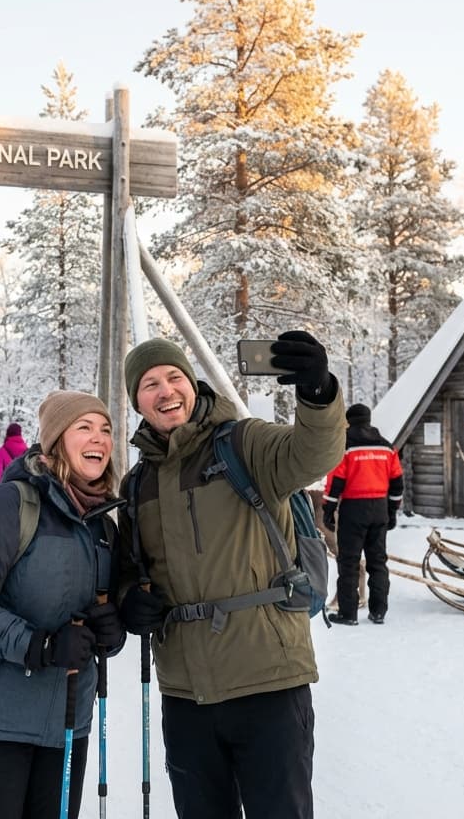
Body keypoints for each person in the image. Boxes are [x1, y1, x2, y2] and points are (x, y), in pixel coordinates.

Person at [116, 334, 345, 819]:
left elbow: (313, 452)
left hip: (267, 682)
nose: (165, 391)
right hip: (185, 694)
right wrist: (128, 600)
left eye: (174, 377)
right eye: (150, 384)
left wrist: (317, 393)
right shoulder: (138, 484)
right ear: (137, 401)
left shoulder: (245, 444)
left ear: (193, 385)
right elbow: (128, 570)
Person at [0, 391, 125, 819]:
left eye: (106, 429)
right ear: (57, 440)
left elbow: (98, 623)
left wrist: (111, 632)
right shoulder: (10, 505)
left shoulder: (103, 526)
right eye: (84, 427)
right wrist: (38, 646)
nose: (98, 438)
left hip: (67, 725)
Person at [321, 403, 404, 626]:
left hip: (353, 510)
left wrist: (328, 511)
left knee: (348, 562)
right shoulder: (386, 448)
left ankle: (348, 613)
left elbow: (336, 481)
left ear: (348, 421)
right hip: (379, 509)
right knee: (378, 562)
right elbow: (397, 483)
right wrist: (392, 511)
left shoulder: (345, 446)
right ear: (368, 420)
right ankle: (378, 612)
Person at [0, 422, 28, 488]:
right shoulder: (27, 451)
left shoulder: (3, 450)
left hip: (7, 489)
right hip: (23, 490)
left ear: (8, 433)